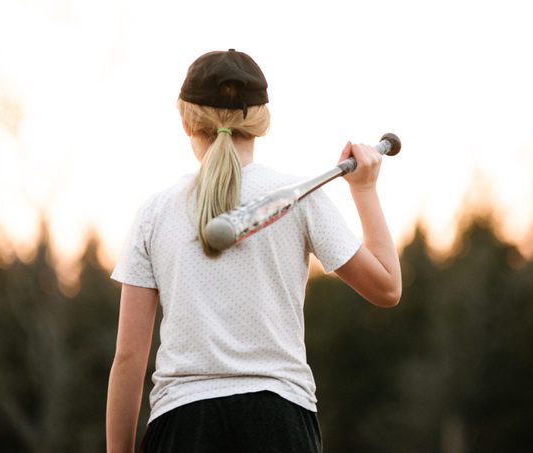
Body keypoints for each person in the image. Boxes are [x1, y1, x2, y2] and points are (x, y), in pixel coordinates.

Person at [106, 49, 402, 453]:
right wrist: (364, 190)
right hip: (279, 422)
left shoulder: (155, 213)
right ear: (262, 122)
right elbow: (387, 287)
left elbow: (128, 359)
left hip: (183, 425)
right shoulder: (303, 199)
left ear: (186, 120)